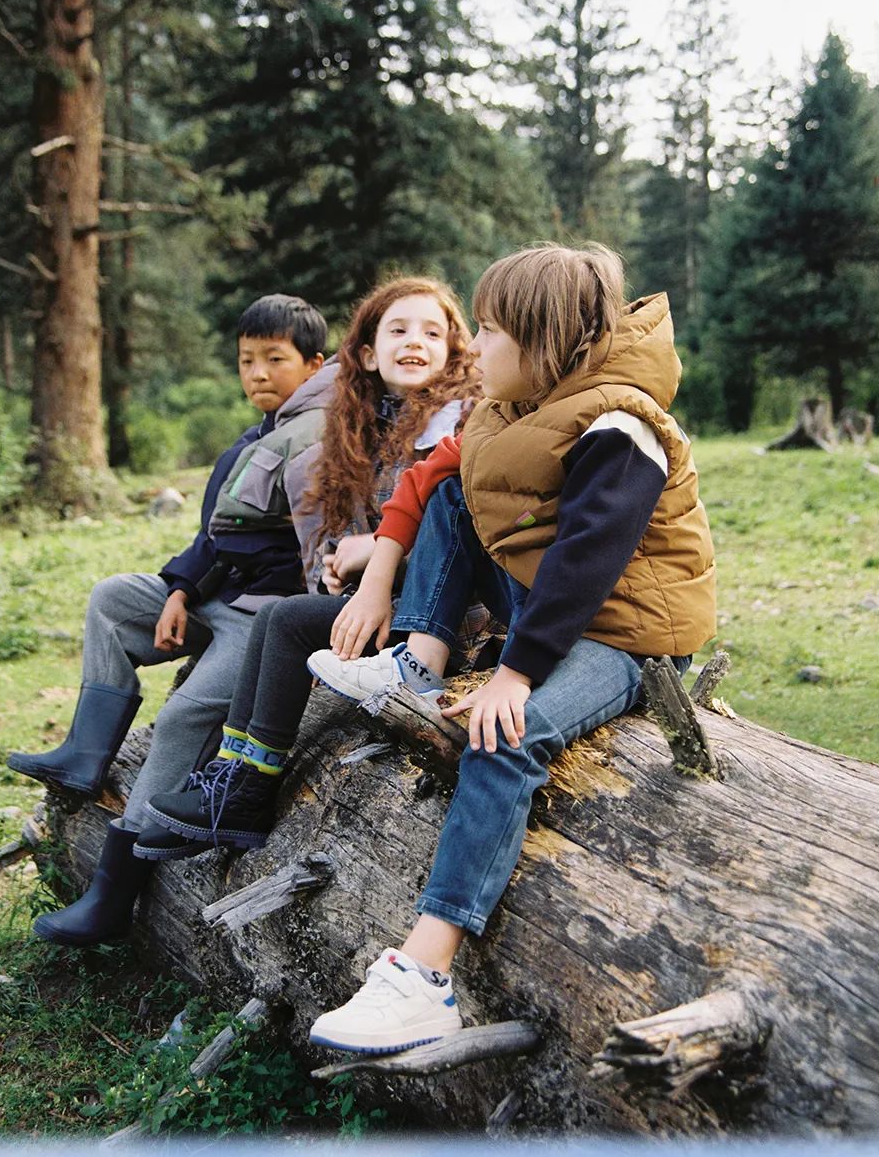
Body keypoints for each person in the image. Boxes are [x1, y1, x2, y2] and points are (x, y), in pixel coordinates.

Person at [303, 243, 717, 1055]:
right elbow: (436, 486)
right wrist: (381, 572)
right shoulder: (514, 406)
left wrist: (515, 674)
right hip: (556, 605)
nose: (474, 348)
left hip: (626, 632)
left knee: (505, 735)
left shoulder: (620, 423)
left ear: (543, 339)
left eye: (488, 331)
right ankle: (416, 660)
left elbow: (586, 563)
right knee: (455, 495)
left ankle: (425, 977)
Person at [8, 293, 331, 945]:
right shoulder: (254, 437)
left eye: (276, 359)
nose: (259, 374)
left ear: (315, 364)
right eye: (247, 361)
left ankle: (113, 892)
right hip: (216, 595)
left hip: (263, 613)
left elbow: (313, 551)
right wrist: (181, 590)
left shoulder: (323, 437)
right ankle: (85, 754)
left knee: (184, 711)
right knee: (113, 598)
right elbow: (215, 536)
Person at [141, 276, 486, 850]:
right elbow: (360, 528)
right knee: (291, 614)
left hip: (453, 620)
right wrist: (342, 563)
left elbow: (459, 533)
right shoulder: (368, 425)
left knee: (288, 620)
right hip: (396, 601)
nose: (414, 342)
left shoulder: (459, 422)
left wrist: (373, 551)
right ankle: (231, 774)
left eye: (432, 331)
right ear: (368, 353)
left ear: (456, 348)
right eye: (397, 329)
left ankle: (246, 789)